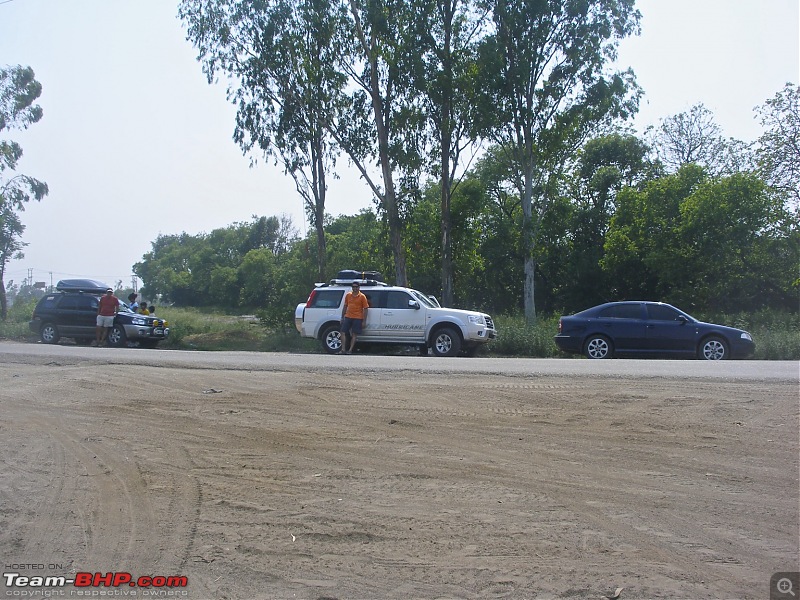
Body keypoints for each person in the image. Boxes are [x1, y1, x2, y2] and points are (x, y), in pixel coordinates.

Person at [339, 281, 369, 354]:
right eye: (353, 287)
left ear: (359, 287)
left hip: (358, 318)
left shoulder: (362, 296)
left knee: (354, 334)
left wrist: (364, 321)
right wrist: (342, 317)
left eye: (356, 287)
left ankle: (350, 350)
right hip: (348, 316)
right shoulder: (348, 295)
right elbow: (345, 306)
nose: (355, 288)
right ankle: (343, 349)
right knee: (342, 332)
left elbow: (366, 308)